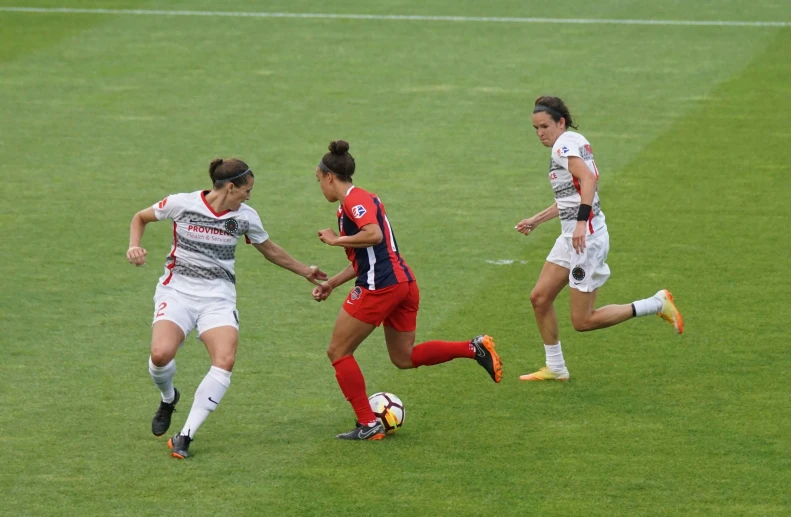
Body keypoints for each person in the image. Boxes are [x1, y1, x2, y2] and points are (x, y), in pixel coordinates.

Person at [126, 158, 327, 458]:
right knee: (160, 355)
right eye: (247, 190)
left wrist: (305, 271)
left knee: (225, 359)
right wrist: (134, 245)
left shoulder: (245, 217)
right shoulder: (182, 203)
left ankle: (185, 435)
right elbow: (140, 218)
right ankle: (169, 398)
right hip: (177, 292)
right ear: (231, 187)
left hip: (217, 299)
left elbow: (270, 250)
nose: (249, 196)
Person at [311, 140, 503, 440]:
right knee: (403, 357)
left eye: (318, 180)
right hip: (403, 283)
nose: (319, 186)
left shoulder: (353, 200)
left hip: (380, 287)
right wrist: (332, 283)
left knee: (338, 351)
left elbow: (373, 236)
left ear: (329, 176)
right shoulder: (360, 200)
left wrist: (336, 241)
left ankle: (368, 423)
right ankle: (474, 347)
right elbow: (369, 255)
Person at [516, 96, 684, 382]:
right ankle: (555, 367)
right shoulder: (574, 140)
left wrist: (581, 223)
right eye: (535, 128)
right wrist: (537, 219)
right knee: (540, 298)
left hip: (585, 241)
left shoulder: (563, 145)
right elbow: (574, 194)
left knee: (583, 321)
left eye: (544, 126)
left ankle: (656, 303)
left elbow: (590, 181)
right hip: (572, 237)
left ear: (561, 122)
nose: (540, 133)